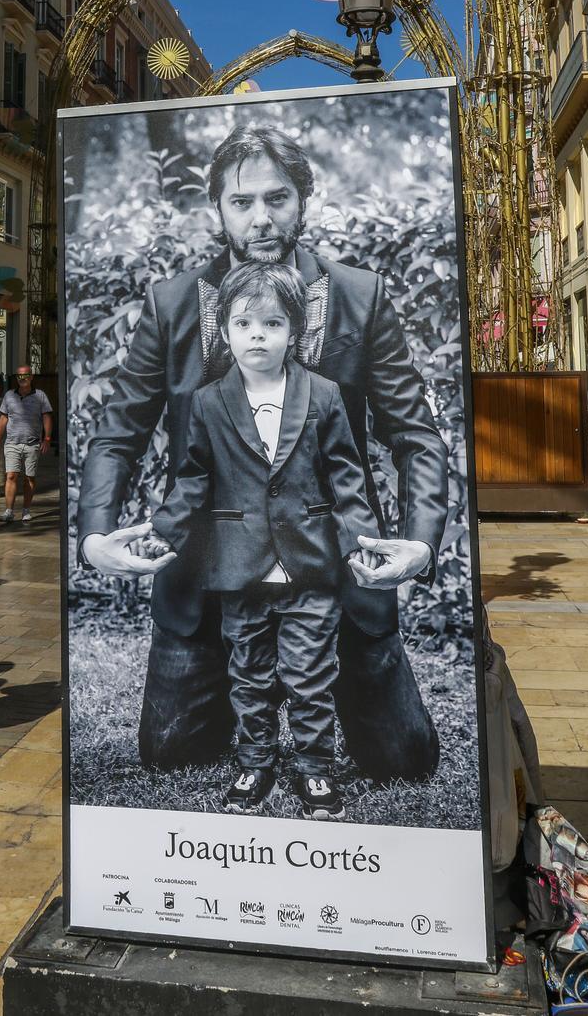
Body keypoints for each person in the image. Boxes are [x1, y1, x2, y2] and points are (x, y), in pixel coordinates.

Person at [78, 121, 448, 781]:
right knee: (171, 755)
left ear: (303, 200)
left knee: (404, 762)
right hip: (205, 570)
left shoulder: (359, 298)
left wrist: (419, 542)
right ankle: (235, 695)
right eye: (242, 202)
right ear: (215, 208)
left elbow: (415, 431)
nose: (261, 218)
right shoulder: (170, 305)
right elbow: (118, 428)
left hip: (336, 565)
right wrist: (95, 535)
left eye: (278, 198)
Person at [152, 264, 393, 819]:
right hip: (241, 567)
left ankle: (314, 769)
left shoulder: (325, 394)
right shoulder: (210, 402)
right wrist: (162, 530)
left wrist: (361, 542)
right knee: (249, 674)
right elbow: (192, 479)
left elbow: (347, 476)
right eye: (244, 323)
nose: (257, 334)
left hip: (312, 565)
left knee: (311, 675)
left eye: (272, 322)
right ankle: (254, 763)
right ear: (225, 331)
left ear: (296, 331)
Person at [0, 367, 53, 525]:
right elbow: (3, 418)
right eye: (19, 375)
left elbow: (46, 417)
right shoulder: (9, 395)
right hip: (12, 442)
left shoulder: (40, 396)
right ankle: (9, 511)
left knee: (29, 478)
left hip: (32, 444)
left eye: (25, 375)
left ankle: (26, 510)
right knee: (11, 475)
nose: (22, 378)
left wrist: (47, 438)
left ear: (31, 377)